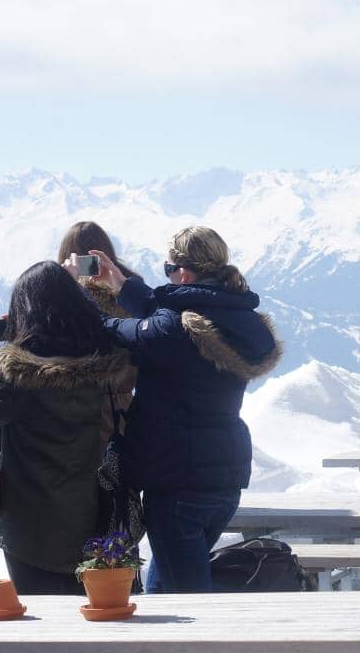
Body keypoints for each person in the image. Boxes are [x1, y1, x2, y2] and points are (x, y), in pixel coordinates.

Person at [78, 226, 282, 593]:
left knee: (187, 599)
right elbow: (174, 310)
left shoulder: (172, 331)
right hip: (224, 476)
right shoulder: (242, 320)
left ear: (183, 273)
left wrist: (71, 300)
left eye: (169, 269)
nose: (167, 276)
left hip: (177, 480)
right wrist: (121, 284)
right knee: (168, 584)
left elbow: (124, 329)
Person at [0, 261, 133, 595]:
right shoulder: (103, 360)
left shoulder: (19, 375)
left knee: (43, 623)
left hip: (30, 525)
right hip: (91, 514)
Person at [58, 221, 140, 443]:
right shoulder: (133, 291)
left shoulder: (60, 297)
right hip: (124, 411)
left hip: (73, 413)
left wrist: (65, 287)